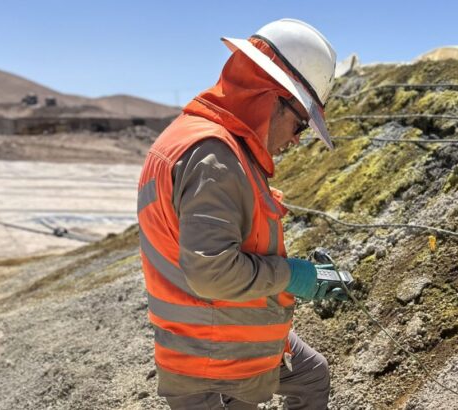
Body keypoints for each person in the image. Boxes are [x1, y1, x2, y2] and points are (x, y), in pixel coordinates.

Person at [136, 18, 342, 409]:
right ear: (271, 97)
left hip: (227, 340)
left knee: (311, 374)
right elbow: (213, 273)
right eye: (300, 122)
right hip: (212, 362)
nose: (298, 138)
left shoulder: (212, 144)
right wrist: (294, 277)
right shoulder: (214, 157)